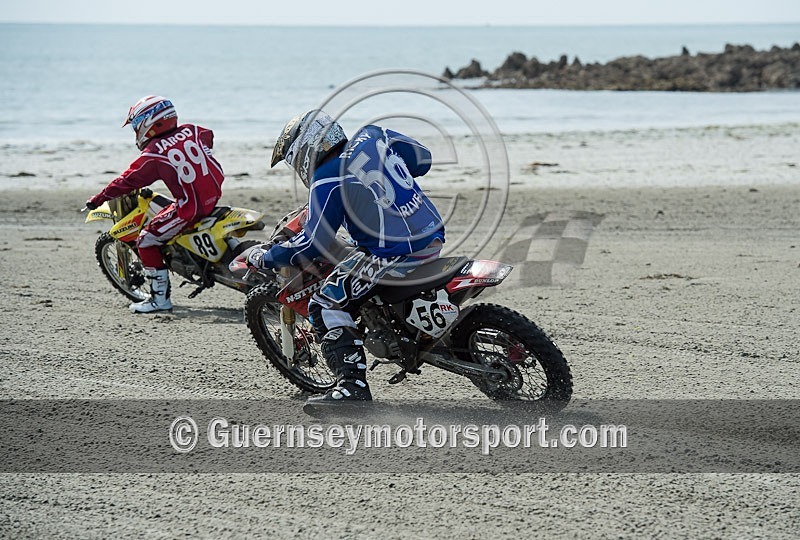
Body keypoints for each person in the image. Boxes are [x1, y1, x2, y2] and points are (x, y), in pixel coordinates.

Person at [249, 110, 445, 405]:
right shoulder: (375, 135)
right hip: (432, 235)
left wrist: (270, 257)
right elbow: (422, 159)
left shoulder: (327, 177)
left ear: (307, 147)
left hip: (395, 254)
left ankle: (352, 387)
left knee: (325, 303)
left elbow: (314, 244)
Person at [85, 96, 225, 313]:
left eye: (135, 126)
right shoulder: (194, 130)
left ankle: (159, 301)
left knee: (146, 239)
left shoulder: (153, 153)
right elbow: (209, 137)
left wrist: (99, 198)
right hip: (213, 195)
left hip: (190, 207)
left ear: (148, 122)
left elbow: (128, 180)